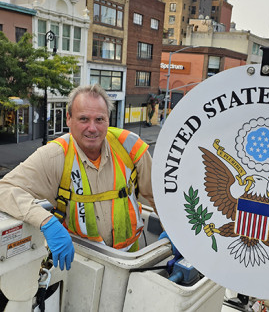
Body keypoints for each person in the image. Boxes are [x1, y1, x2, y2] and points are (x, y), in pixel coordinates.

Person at [0, 85, 156, 271]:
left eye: (99, 119)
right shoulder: (55, 155)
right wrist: (46, 222)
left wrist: (174, 231)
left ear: (108, 120)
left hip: (131, 256)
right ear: (69, 119)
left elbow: (159, 195)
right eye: (83, 119)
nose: (92, 128)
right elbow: (5, 188)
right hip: (81, 261)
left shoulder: (129, 146)